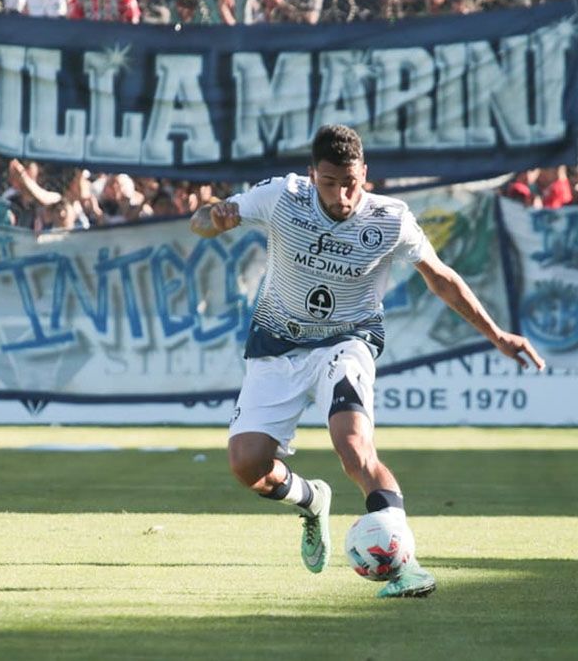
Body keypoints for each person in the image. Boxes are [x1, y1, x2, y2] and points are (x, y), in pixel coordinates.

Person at [189, 124, 545, 598]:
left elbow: (440, 278)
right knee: (246, 465)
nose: (343, 195)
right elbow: (199, 222)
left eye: (351, 183)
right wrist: (215, 218)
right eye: (330, 183)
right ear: (312, 175)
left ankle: (407, 565)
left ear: (365, 174)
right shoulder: (281, 197)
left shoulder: (390, 219)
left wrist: (496, 335)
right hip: (276, 345)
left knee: (354, 446)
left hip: (346, 342)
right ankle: (312, 499)